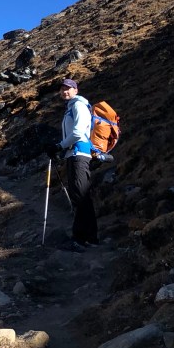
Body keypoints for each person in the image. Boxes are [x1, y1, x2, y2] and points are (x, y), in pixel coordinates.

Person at [49, 78, 99, 249]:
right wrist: (61, 147)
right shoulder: (71, 107)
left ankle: (80, 238)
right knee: (81, 195)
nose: (65, 91)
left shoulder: (78, 105)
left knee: (80, 195)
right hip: (74, 154)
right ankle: (90, 237)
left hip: (79, 154)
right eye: (62, 89)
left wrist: (60, 146)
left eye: (68, 88)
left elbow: (78, 132)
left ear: (76, 90)